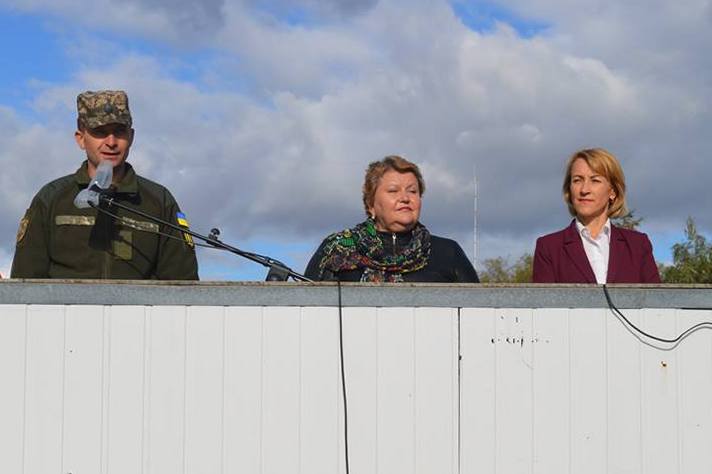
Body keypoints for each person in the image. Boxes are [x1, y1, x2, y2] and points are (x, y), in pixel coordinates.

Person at [11, 90, 199, 280]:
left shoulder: (159, 202)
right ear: (81, 138)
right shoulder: (52, 199)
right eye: (100, 132)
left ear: (131, 136)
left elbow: (183, 286)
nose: (111, 142)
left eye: (119, 132)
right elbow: (24, 281)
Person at [305, 155, 479, 282]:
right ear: (371, 204)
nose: (405, 198)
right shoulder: (337, 249)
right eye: (393, 191)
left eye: (412, 191)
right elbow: (307, 306)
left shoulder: (448, 252)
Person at [532, 148, 660, 283]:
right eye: (577, 180)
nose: (584, 190)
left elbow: (656, 297)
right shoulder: (549, 248)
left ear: (613, 191)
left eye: (595, 180)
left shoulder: (638, 245)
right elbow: (545, 297)